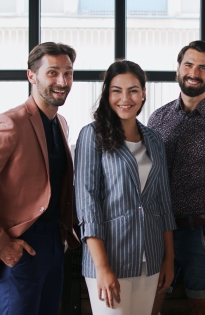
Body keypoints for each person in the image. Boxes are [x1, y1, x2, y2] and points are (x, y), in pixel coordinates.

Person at [0, 42, 80, 315]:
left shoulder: (61, 124)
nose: (63, 81)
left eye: (69, 73)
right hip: (20, 246)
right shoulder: (9, 123)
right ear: (31, 76)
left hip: (54, 244)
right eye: (53, 73)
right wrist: (0, 244)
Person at [148, 40, 205, 315]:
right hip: (158, 231)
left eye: (203, 67)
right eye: (188, 65)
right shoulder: (158, 118)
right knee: (150, 303)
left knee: (202, 305)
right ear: (178, 69)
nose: (194, 72)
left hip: (199, 232)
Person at [75, 60, 176, 315]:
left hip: (151, 257)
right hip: (111, 259)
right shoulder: (92, 135)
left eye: (133, 90)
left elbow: (163, 202)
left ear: (143, 93)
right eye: (116, 90)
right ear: (107, 94)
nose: (125, 98)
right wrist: (103, 268)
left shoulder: (154, 139)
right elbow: (88, 205)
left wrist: (169, 259)